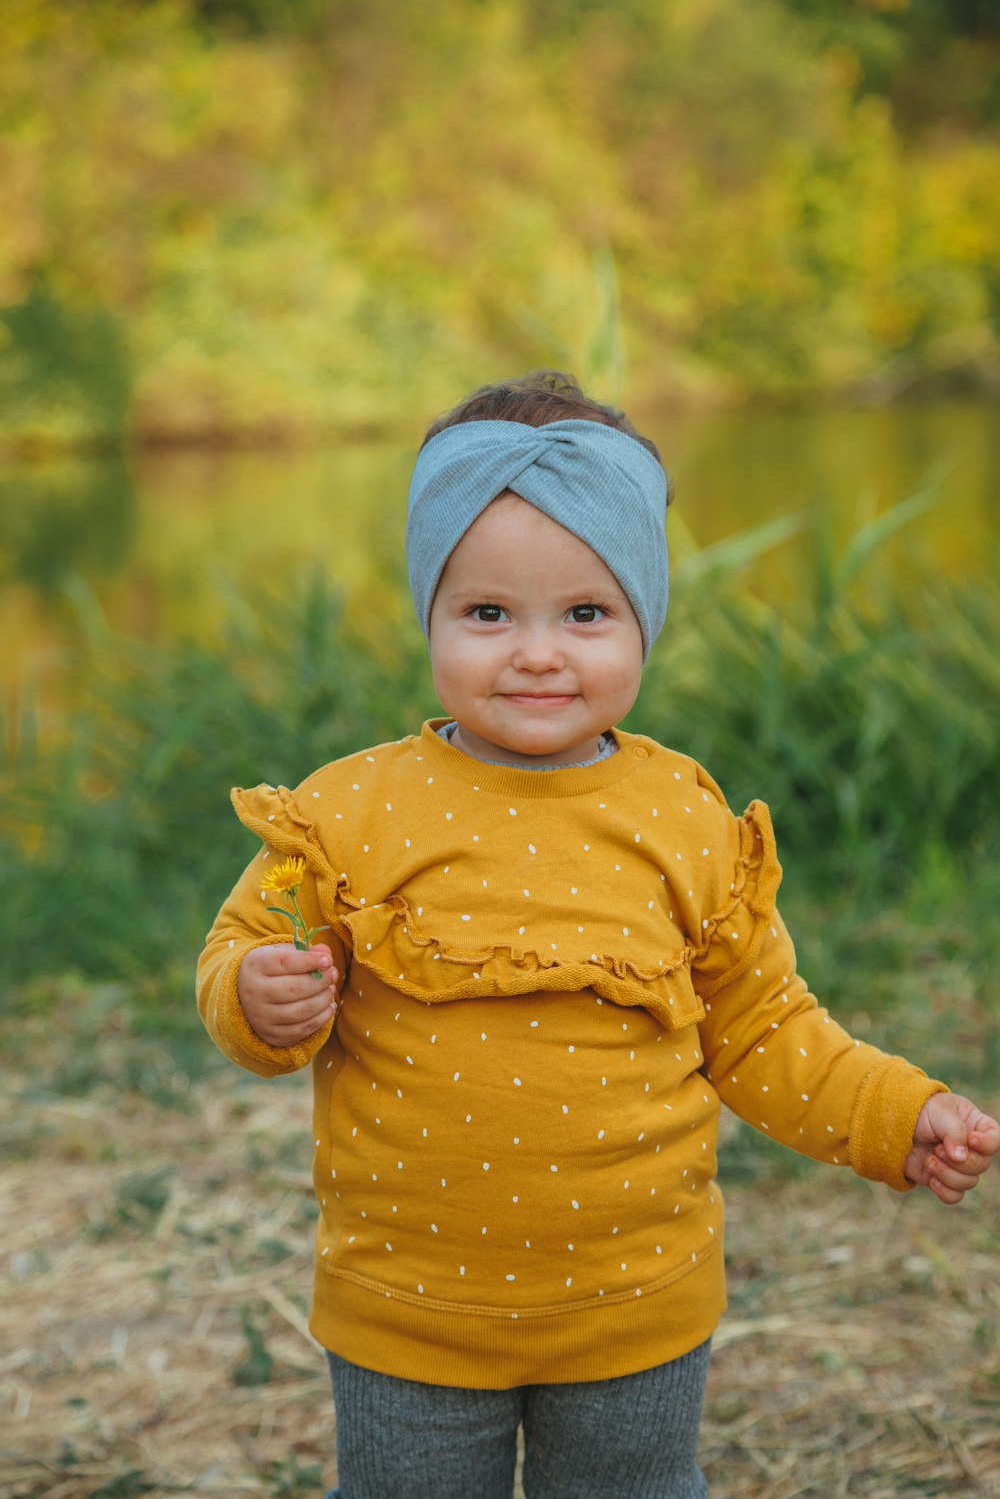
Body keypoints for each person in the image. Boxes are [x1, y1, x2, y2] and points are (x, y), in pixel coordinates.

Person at [197, 372, 998, 1499]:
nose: (536, 653)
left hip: (636, 1298)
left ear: (643, 619)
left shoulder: (682, 816)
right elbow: (241, 949)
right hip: (409, 1305)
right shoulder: (347, 813)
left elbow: (764, 1026)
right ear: (429, 611)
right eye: (487, 614)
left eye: (585, 614)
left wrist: (892, 1114)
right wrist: (255, 995)